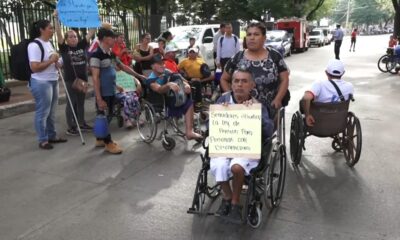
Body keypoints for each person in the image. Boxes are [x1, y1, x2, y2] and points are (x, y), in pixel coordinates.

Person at [211, 68, 274, 224]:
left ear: (251, 85)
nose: (240, 85)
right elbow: (209, 126)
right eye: (236, 81)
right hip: (225, 146)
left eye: (244, 81)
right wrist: (219, 114)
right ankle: (226, 197)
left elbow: (268, 131)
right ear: (231, 84)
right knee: (219, 165)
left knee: (236, 167)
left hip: (246, 148)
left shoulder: (257, 104)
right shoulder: (222, 100)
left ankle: (235, 203)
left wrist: (255, 113)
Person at [90, 28, 146, 154]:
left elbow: (123, 67)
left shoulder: (110, 54)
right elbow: (95, 77)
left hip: (111, 90)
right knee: (104, 116)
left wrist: (138, 76)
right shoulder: (96, 55)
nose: (114, 40)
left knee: (106, 115)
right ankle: (108, 143)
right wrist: (99, 98)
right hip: (103, 92)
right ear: (104, 38)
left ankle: (100, 139)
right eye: (112, 37)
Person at [220, 22, 290, 117]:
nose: (252, 38)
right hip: (241, 110)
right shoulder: (237, 57)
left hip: (269, 109)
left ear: (264, 38)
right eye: (249, 34)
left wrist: (278, 99)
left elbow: (284, 79)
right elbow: (224, 79)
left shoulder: (274, 56)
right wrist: (231, 98)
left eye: (256, 34)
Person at [54, 10, 95, 136]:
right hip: (70, 80)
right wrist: (56, 18)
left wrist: (95, 20)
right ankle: (71, 126)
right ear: (66, 40)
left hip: (83, 80)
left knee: (81, 103)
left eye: (75, 36)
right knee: (71, 103)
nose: (73, 38)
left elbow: (91, 32)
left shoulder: (82, 45)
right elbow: (59, 34)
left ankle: (81, 123)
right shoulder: (64, 48)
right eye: (70, 36)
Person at [28, 19, 67, 150]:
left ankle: (52, 135)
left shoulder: (48, 43)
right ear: (42, 30)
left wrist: (57, 63)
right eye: (50, 28)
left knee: (52, 111)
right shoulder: (34, 45)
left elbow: (52, 61)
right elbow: (34, 67)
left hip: (53, 80)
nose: (53, 30)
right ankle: (43, 140)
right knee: (43, 112)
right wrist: (51, 61)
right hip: (41, 82)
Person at [147, 54, 203, 140]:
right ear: (152, 66)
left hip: (175, 98)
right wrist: (168, 85)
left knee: (189, 100)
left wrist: (186, 85)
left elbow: (181, 79)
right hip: (162, 103)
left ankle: (189, 131)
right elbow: (159, 89)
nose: (162, 65)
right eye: (159, 64)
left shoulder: (167, 71)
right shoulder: (150, 79)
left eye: (163, 63)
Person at [302, 59, 354, 127]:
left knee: (302, 100)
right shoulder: (349, 86)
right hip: (338, 124)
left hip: (317, 123)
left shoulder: (319, 84)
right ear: (343, 73)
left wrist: (307, 115)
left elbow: (306, 98)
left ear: (326, 72)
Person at [115, 64, 142, 128]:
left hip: (131, 90)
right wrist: (117, 87)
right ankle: (128, 119)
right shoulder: (113, 74)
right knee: (127, 99)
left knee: (135, 99)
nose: (118, 66)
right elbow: (111, 83)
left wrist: (138, 85)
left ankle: (136, 118)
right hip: (120, 92)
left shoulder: (128, 72)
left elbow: (135, 80)